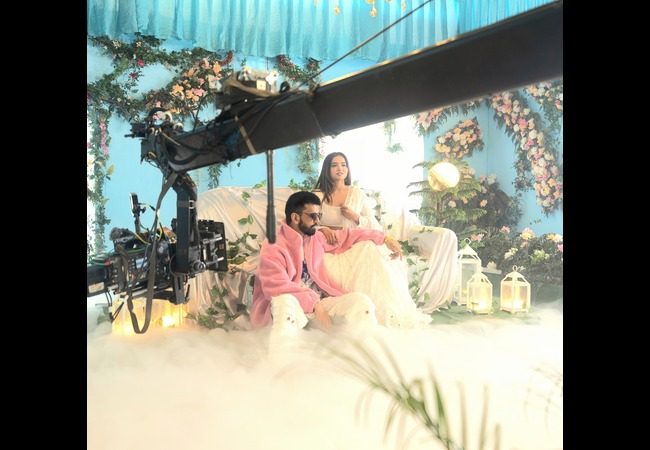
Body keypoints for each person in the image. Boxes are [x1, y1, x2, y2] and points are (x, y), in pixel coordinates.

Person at [249, 191, 405, 335]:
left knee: (361, 303)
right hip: (293, 307)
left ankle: (362, 350)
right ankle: (283, 354)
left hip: (321, 304)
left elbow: (348, 235)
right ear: (295, 218)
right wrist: (314, 304)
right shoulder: (273, 245)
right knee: (285, 303)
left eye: (319, 216)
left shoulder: (314, 238)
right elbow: (275, 288)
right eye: (313, 216)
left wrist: (385, 238)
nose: (318, 221)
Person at [312, 151, 436, 326]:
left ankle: (380, 313)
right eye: (334, 165)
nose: (340, 168)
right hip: (328, 245)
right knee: (363, 249)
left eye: (343, 165)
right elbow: (306, 223)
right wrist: (323, 229)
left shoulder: (356, 193)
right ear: (327, 169)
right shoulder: (317, 195)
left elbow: (374, 225)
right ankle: (354, 312)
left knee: (368, 248)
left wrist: (356, 218)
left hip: (353, 241)